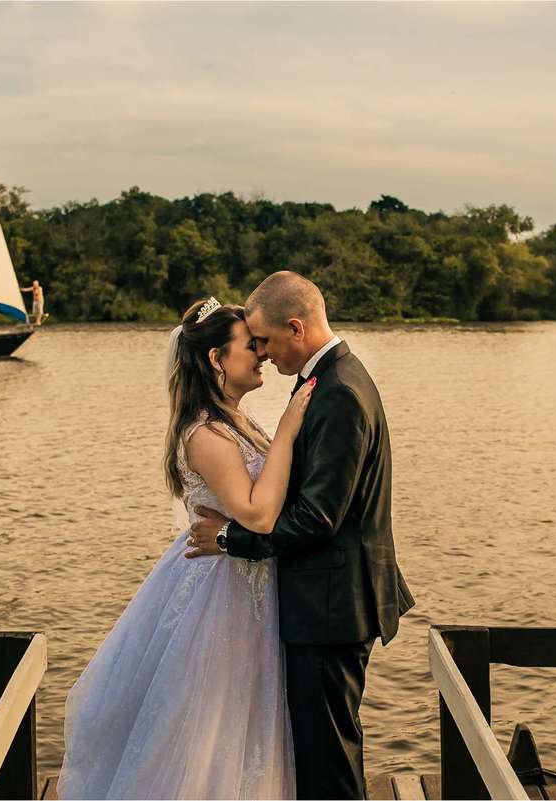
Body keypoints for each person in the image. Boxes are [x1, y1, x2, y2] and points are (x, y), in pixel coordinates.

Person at [58, 296, 316, 799]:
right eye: (250, 345)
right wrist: (288, 431)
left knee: (248, 723)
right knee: (210, 726)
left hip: (245, 583)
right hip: (219, 596)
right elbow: (258, 513)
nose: (261, 354)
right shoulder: (205, 433)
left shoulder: (236, 420)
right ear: (217, 359)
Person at [188, 270, 415, 800]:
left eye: (264, 340)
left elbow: (318, 518)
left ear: (296, 328)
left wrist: (229, 540)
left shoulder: (339, 392)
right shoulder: (327, 380)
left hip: (332, 605)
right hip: (325, 600)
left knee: (328, 759)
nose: (262, 354)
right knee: (318, 750)